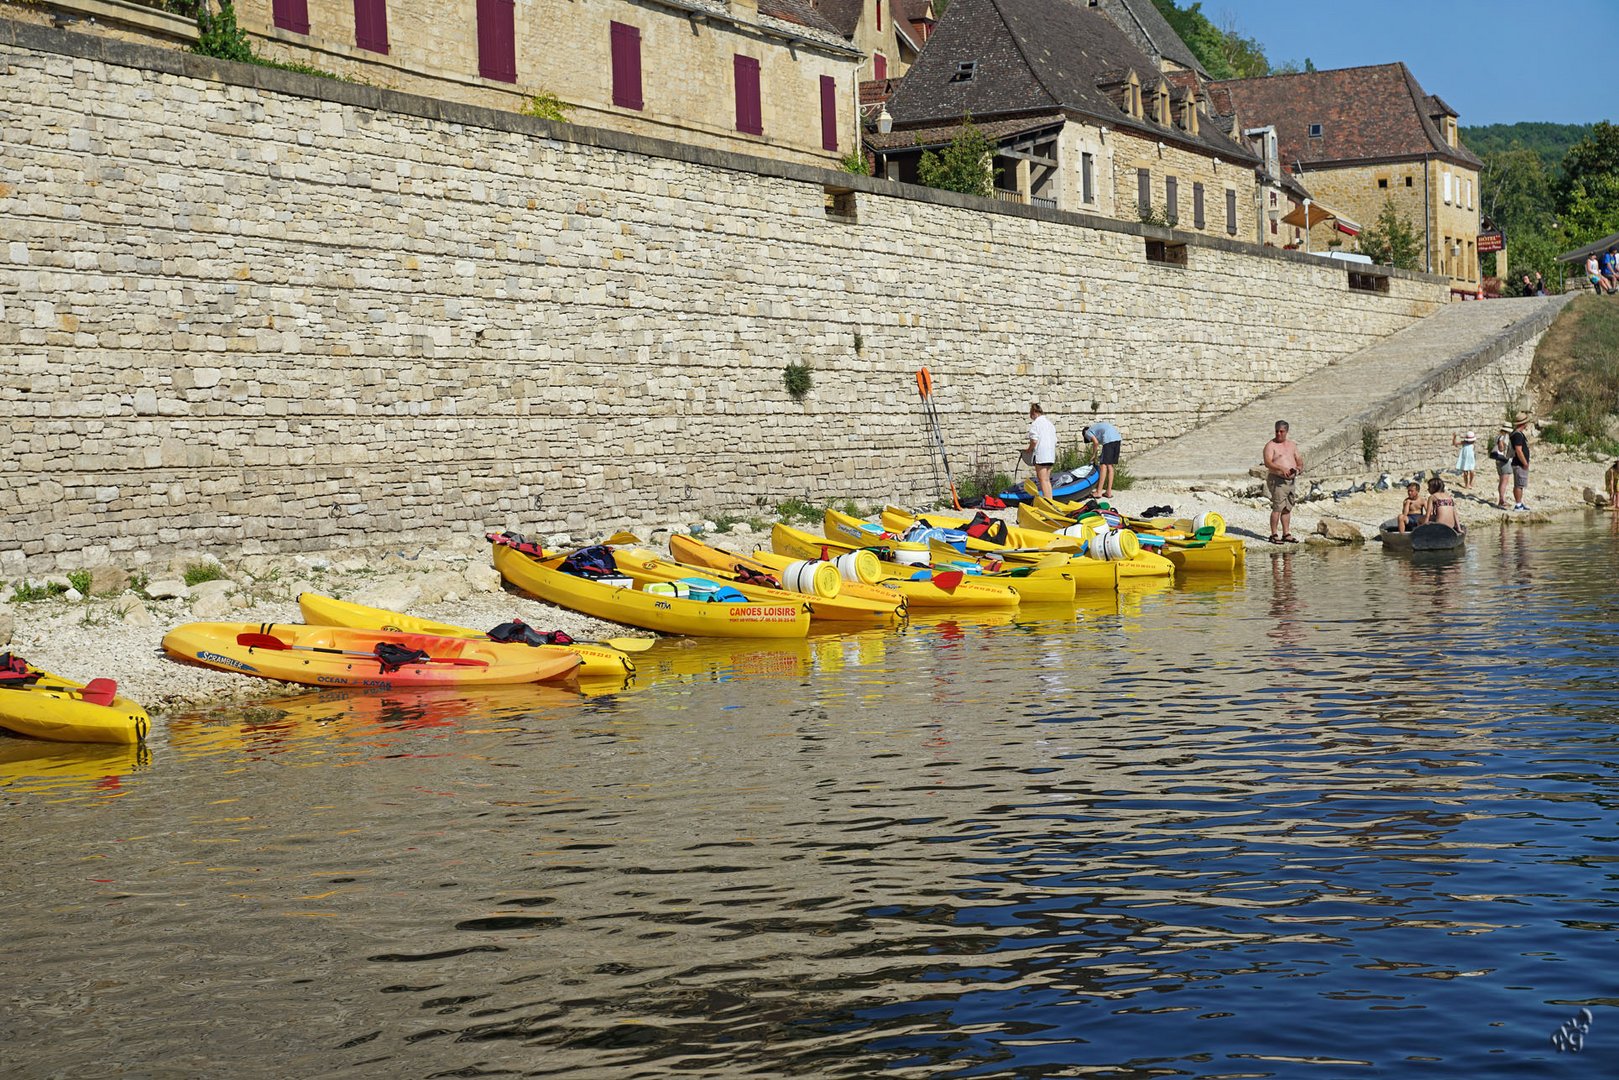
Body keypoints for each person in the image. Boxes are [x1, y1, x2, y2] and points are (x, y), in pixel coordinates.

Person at [1261, 419, 1303, 543]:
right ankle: (1273, 534)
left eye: (1281, 431)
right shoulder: (1270, 445)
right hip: (1277, 480)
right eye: (1277, 431)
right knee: (1277, 507)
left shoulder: (1292, 445)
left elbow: (1299, 459)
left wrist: (1298, 468)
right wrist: (1281, 468)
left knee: (1287, 507)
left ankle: (1286, 533)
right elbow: (1268, 462)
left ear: (1286, 431)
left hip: (1290, 481)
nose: (1278, 434)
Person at [1082, 419, 1123, 498]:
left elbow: (1096, 443)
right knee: (1110, 466)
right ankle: (1108, 492)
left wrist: (1093, 456)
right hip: (1117, 438)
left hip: (1109, 440)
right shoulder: (1096, 429)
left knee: (1103, 465)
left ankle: (1098, 492)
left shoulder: (1087, 432)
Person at [1025, 403, 1056, 499]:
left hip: (1041, 455)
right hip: (1051, 454)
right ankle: (1050, 500)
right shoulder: (1050, 424)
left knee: (1042, 480)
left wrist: (1029, 450)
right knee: (1047, 480)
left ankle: (1048, 502)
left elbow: (1034, 440)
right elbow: (1055, 440)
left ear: (1034, 412)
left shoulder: (1036, 424)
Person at [1510, 411, 1532, 511]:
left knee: (1520, 484)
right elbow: (1518, 450)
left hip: (1518, 463)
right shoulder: (1518, 435)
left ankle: (1520, 503)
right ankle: (1518, 504)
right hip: (1519, 464)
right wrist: (1525, 463)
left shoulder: (1516, 434)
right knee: (1519, 484)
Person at [1489, 424, 1513, 509]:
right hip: (1504, 461)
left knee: (1501, 481)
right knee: (1504, 481)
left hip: (1499, 461)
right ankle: (1502, 500)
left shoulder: (1498, 437)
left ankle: (1501, 499)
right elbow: (1501, 448)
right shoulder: (1504, 438)